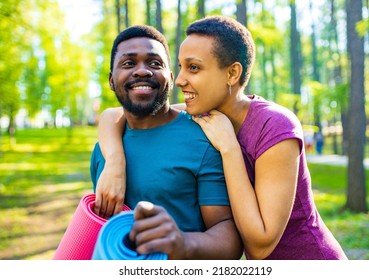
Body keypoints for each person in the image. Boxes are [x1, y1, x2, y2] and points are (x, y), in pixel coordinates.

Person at [97, 16, 347, 260]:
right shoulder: (204, 113)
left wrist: (229, 148)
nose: (181, 79)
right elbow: (115, 115)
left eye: (193, 68)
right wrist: (115, 162)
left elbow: (260, 246)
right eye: (181, 67)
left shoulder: (276, 126)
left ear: (232, 74)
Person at [90, 24, 243, 260]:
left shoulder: (203, 138)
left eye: (154, 63)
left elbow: (230, 240)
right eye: (128, 63)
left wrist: (183, 243)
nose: (142, 71)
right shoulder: (105, 149)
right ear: (111, 80)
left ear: (171, 78)